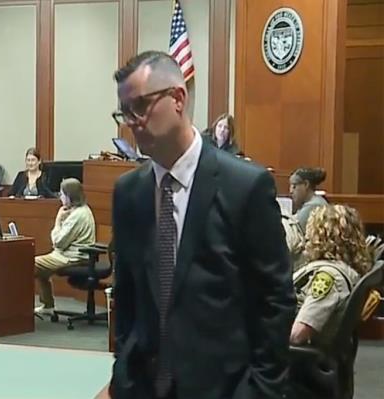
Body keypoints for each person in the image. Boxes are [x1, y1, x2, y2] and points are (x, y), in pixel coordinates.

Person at [109, 51, 295, 399]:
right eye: (125, 111)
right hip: (144, 388)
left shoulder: (245, 186)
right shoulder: (128, 193)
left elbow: (276, 300)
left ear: (178, 98)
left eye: (140, 106)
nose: (132, 122)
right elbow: (127, 294)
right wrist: (124, 371)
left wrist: (260, 390)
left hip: (224, 389)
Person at [291, 204, 372, 346]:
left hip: (294, 358)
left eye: (312, 231)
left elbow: (298, 335)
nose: (307, 236)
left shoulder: (328, 277)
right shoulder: (346, 269)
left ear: (321, 236)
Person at [34, 178, 95, 314]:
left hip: (71, 258)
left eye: (62, 194)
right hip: (68, 255)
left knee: (28, 265)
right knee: (41, 270)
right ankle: (48, 306)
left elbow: (58, 242)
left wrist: (58, 220)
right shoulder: (82, 210)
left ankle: (17, 311)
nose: (60, 197)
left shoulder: (77, 216)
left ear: (69, 196)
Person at [289, 167, 328, 232]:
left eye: (294, 186)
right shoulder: (316, 201)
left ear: (306, 184)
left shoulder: (314, 205)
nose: (290, 191)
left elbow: (294, 231)